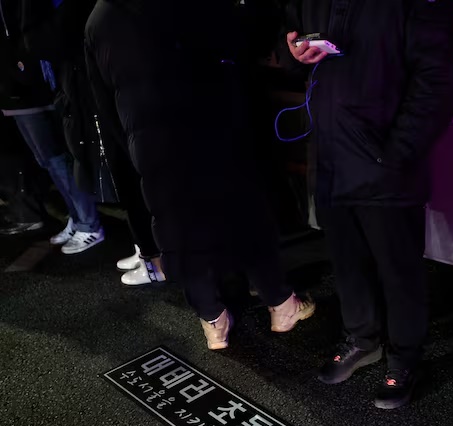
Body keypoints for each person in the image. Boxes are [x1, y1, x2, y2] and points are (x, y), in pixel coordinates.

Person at [86, 0, 314, 348]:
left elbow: (103, 105)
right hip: (211, 126)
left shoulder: (98, 19)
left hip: (150, 145)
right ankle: (282, 306)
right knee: (245, 216)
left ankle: (213, 322)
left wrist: (136, 146)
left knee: (180, 231)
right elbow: (236, 39)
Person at [283, 0, 453, 409]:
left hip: (387, 162)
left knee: (399, 271)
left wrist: (397, 153)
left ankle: (405, 358)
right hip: (332, 155)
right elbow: (294, 42)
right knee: (346, 262)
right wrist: (295, 55)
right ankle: (361, 338)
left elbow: (444, 74)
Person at [25, 0, 163, 285]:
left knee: (134, 174)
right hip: (101, 89)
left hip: (117, 90)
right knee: (125, 175)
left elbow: (48, 39)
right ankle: (147, 250)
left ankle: (156, 258)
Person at [0, 0, 102, 252]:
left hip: (31, 85)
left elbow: (31, 28)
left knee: (58, 158)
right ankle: (77, 219)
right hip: (16, 88)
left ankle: (89, 224)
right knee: (47, 160)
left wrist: (22, 67)